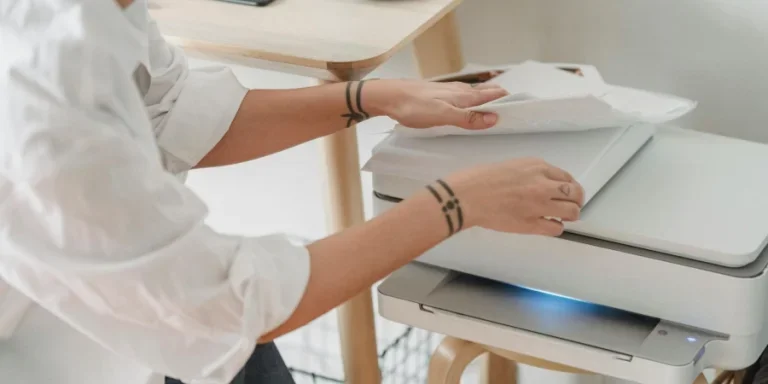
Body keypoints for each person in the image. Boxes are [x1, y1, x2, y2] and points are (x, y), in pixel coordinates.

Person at [0, 0, 585, 383]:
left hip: (169, 312)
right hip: (74, 350)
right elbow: (228, 309)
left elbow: (173, 113)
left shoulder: (103, 12)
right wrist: (454, 204)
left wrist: (373, 97)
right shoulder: (45, 105)